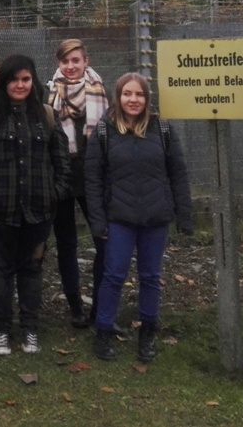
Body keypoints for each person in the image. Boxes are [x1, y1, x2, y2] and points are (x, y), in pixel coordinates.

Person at [85, 72, 192, 363]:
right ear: (118, 97)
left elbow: (178, 173)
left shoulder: (163, 130)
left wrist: (185, 215)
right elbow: (92, 180)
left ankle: (147, 332)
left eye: (139, 94)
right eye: (127, 94)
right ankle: (104, 331)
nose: (133, 100)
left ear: (147, 98)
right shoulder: (104, 132)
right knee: (113, 275)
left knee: (151, 277)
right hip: (118, 217)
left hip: (156, 217)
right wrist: (97, 221)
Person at [0, 54, 70, 356]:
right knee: (1, 270)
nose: (20, 85)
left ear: (33, 81)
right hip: (0, 211)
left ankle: (29, 328)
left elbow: (61, 160)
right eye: (14, 79)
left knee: (32, 269)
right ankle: (1, 329)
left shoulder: (47, 116)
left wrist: (56, 192)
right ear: (4, 82)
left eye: (25, 79)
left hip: (39, 210)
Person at [47, 39, 109, 330]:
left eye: (76, 61)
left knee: (104, 243)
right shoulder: (50, 98)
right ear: (59, 64)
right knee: (66, 243)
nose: (70, 67)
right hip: (61, 179)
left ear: (86, 61)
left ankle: (100, 305)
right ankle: (75, 307)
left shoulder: (102, 94)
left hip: (95, 180)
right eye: (65, 62)